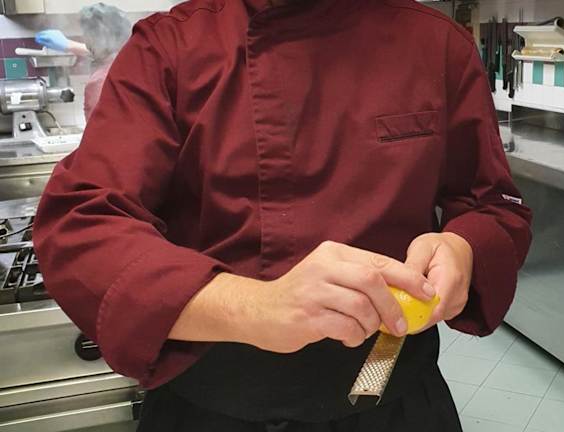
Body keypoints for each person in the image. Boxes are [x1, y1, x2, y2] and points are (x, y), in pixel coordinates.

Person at [33, 0, 533, 431]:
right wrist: (255, 306)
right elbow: (82, 223)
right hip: (212, 409)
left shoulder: (436, 44)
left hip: (396, 400)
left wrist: (462, 247)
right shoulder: (169, 48)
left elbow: (493, 207)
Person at [35, 3, 132, 121]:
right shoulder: (134, 64)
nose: (85, 40)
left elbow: (97, 128)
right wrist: (68, 45)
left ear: (97, 37)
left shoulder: (100, 82)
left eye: (87, 34)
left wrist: (68, 45)